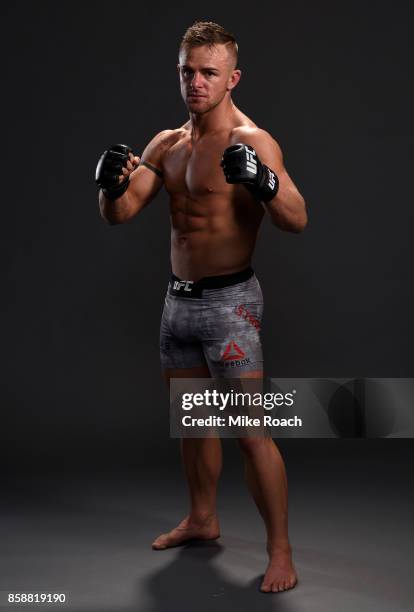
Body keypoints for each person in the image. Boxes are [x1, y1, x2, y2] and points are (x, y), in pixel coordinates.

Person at [95, 21, 307, 593]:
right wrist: (110, 187)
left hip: (232, 304)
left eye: (208, 72)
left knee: (248, 432)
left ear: (232, 77)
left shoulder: (252, 140)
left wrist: (263, 181)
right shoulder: (166, 144)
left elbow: (296, 217)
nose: (196, 82)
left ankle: (280, 552)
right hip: (178, 302)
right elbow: (119, 214)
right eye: (187, 70)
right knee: (192, 423)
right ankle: (202, 518)